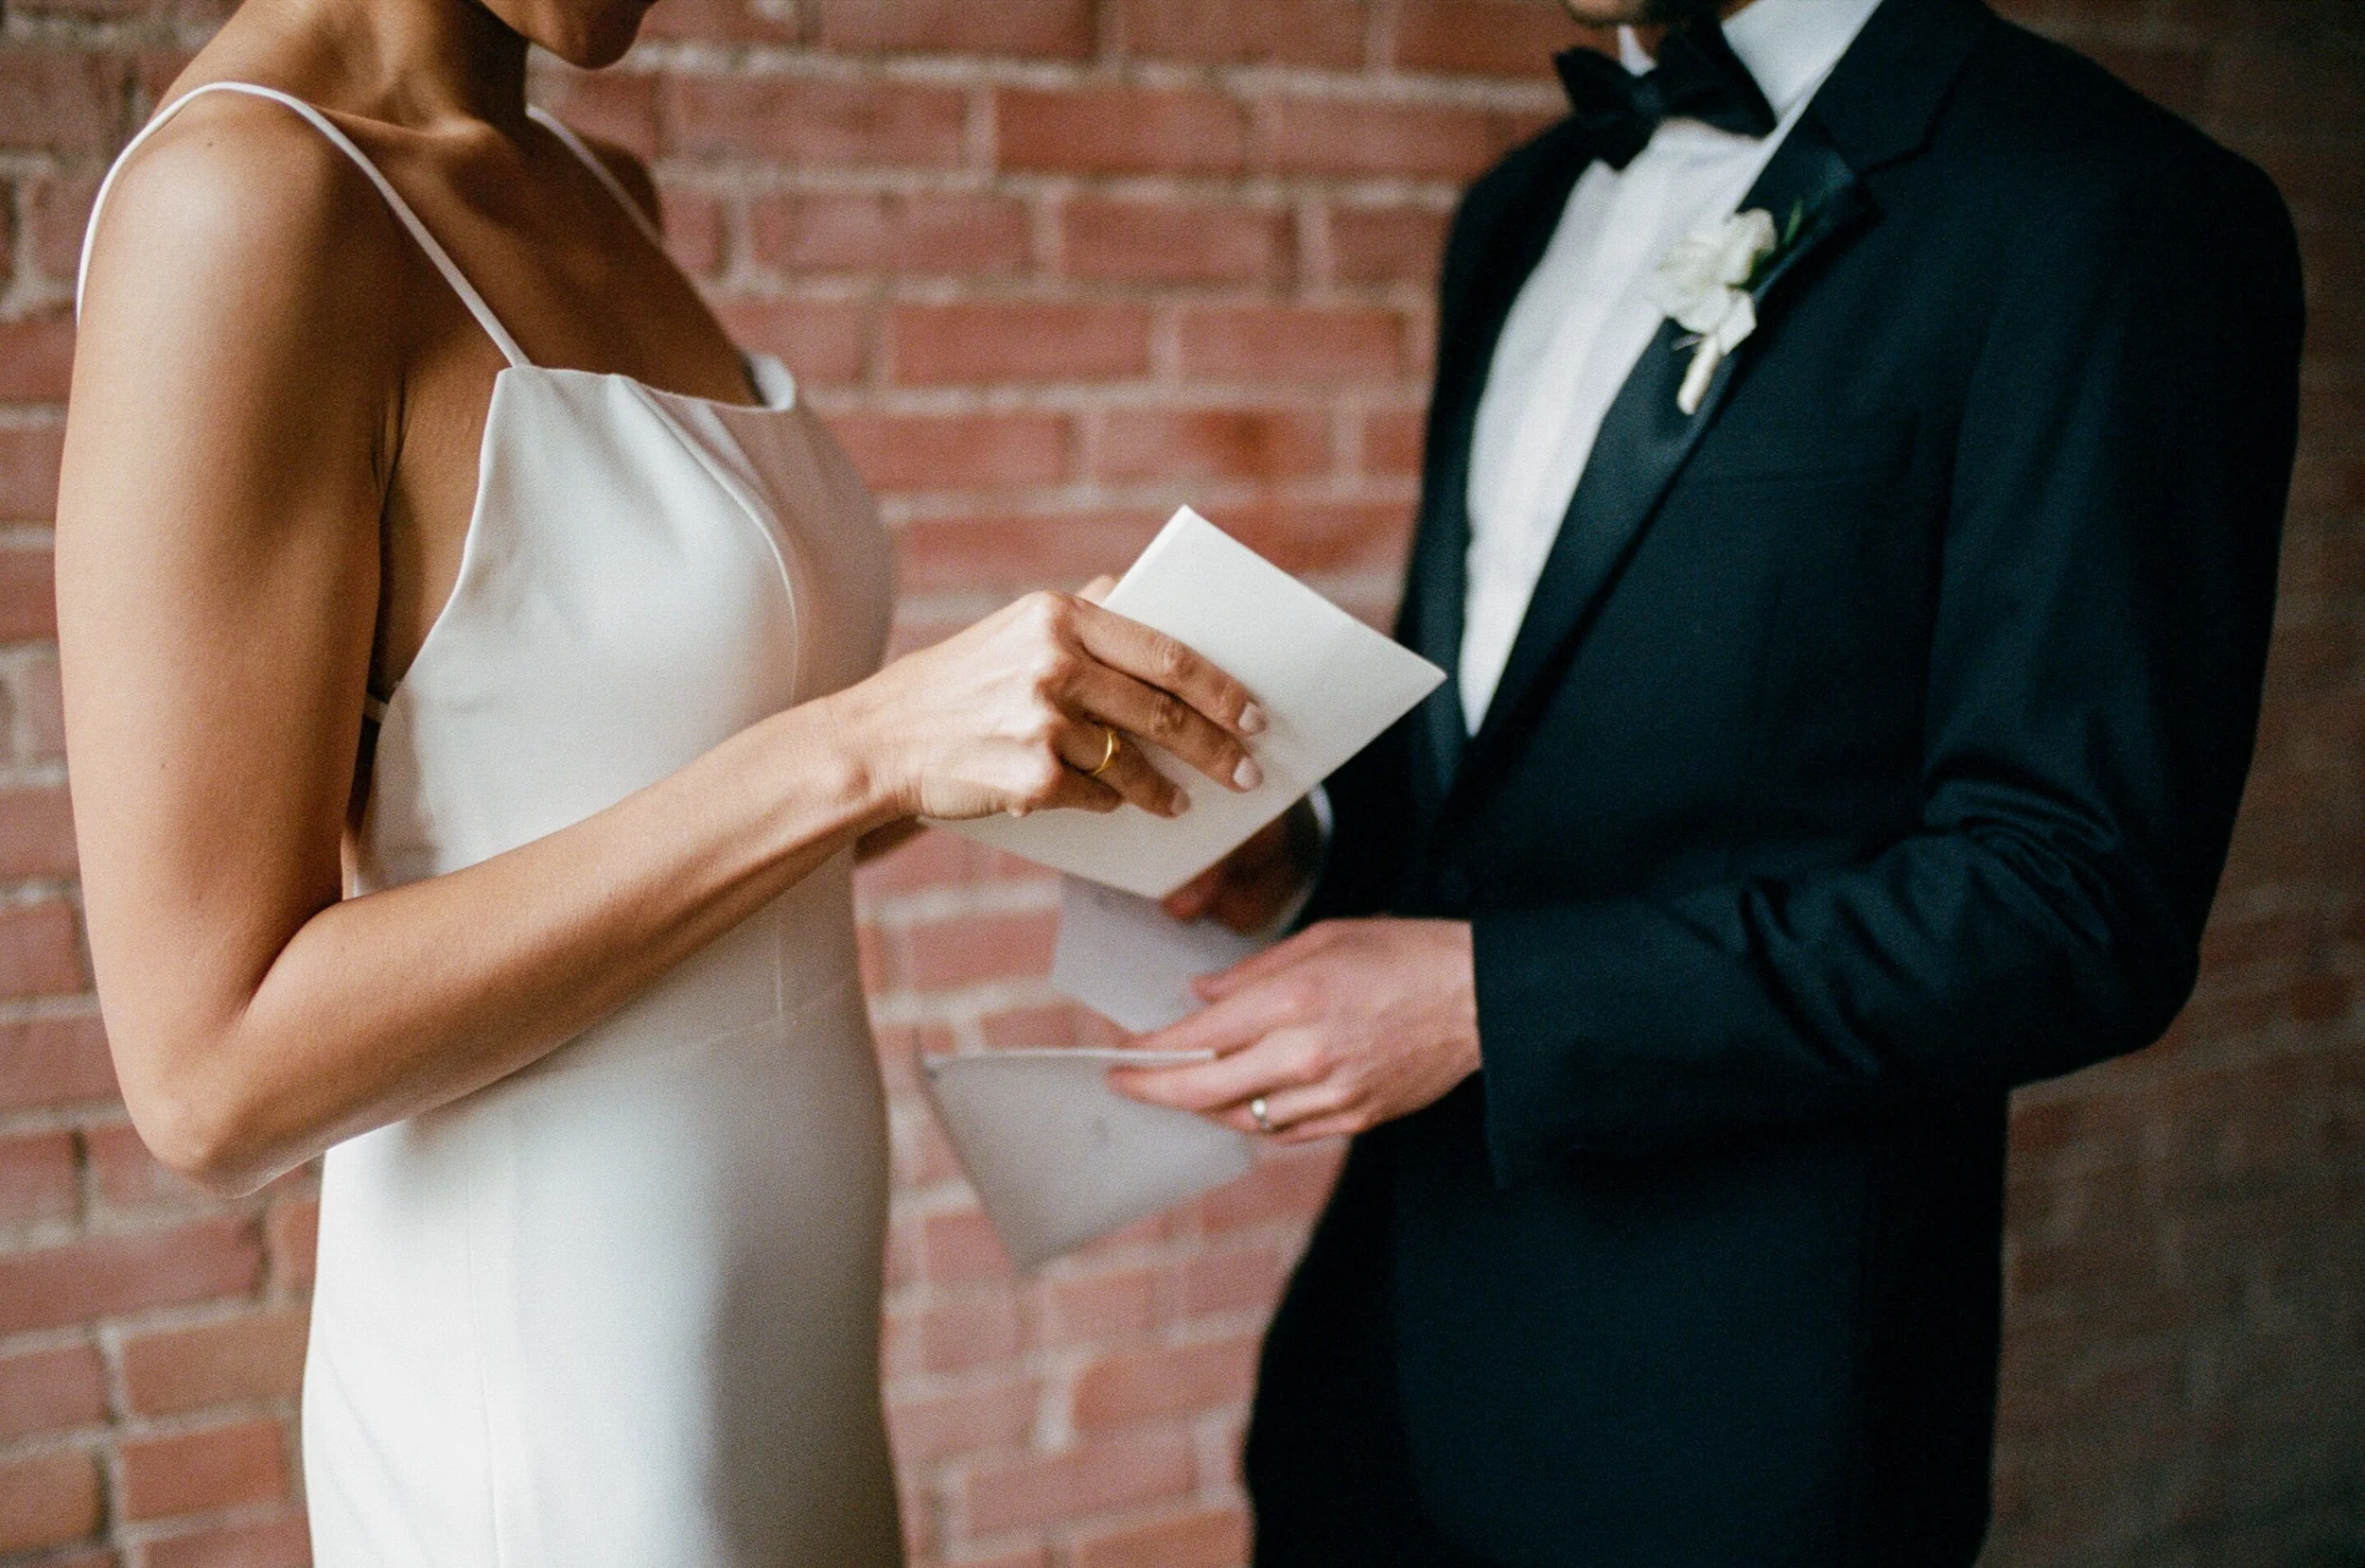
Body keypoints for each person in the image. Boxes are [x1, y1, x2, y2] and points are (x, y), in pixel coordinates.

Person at [54, 0, 1273, 1556]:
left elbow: (651, 787)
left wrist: (994, 744)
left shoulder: (591, 182)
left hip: (788, 1330)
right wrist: (863, 744)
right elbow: (208, 1074)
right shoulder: (244, 206)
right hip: (552, 1377)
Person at [1112, 0, 2305, 1562]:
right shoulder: (1517, 211)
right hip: (1377, 1383)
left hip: (1739, 1428)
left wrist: (1491, 1004)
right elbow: (1481, 772)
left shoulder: (2107, 205)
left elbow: (2074, 897)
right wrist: (1284, 858)